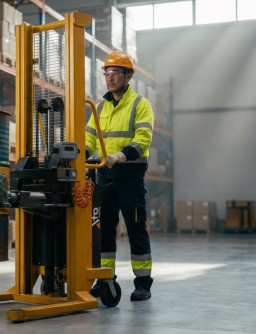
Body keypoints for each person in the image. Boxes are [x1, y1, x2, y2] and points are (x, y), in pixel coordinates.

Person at [85, 51, 154, 301]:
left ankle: (143, 283)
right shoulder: (100, 106)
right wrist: (81, 153)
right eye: (107, 73)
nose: (110, 78)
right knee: (103, 231)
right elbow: (90, 136)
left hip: (130, 176)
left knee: (136, 229)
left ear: (128, 77)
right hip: (104, 175)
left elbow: (143, 138)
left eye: (116, 73)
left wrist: (121, 156)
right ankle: (106, 278)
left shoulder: (140, 104)